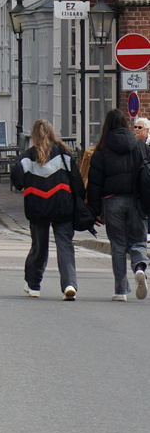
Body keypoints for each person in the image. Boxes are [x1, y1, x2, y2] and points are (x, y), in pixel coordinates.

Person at [82, 107, 149, 301]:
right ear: (125, 125)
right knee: (138, 241)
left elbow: (94, 184)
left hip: (112, 202)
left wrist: (94, 211)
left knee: (118, 245)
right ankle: (139, 267)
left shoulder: (101, 151)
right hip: (137, 201)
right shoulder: (140, 146)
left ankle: (120, 290)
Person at [16, 118, 80, 300]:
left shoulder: (27, 157)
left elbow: (17, 180)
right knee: (65, 245)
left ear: (34, 136)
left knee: (39, 246)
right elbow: (76, 180)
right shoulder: (64, 154)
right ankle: (69, 284)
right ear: (52, 133)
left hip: (37, 208)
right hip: (62, 206)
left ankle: (34, 284)